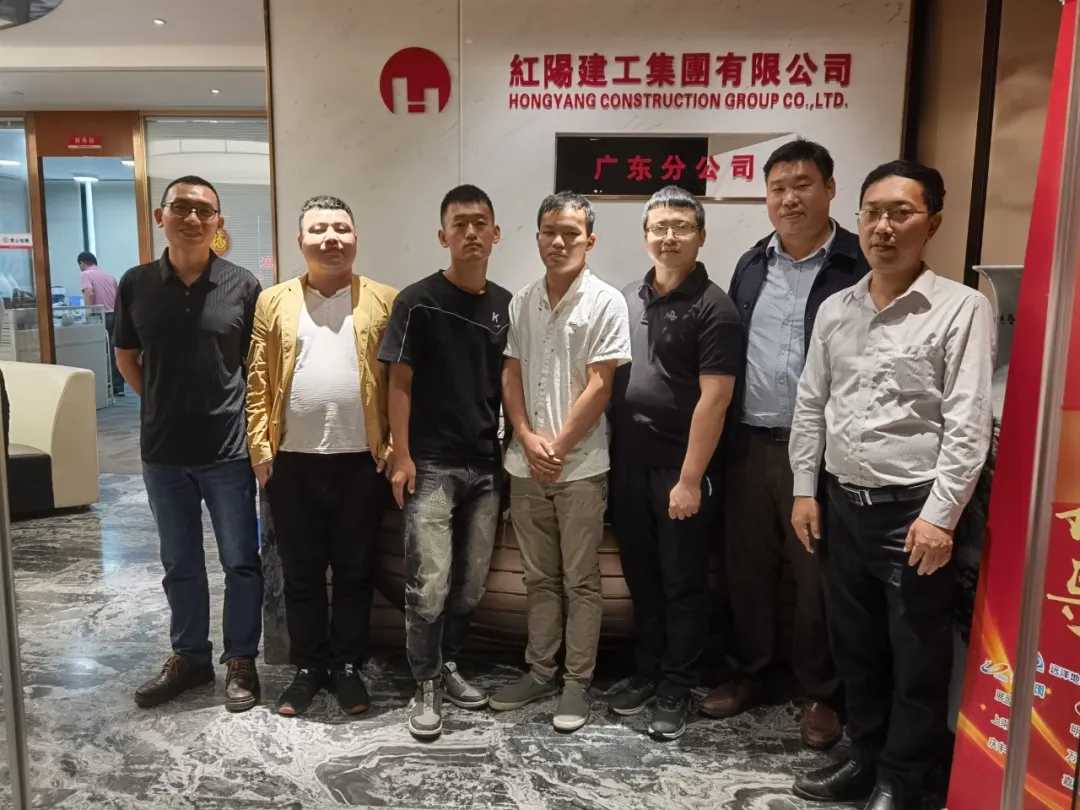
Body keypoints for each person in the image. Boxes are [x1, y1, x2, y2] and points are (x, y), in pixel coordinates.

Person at [789, 160, 994, 810]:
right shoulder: (836, 309)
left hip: (913, 514)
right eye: (872, 212)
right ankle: (865, 756)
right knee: (856, 648)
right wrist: (803, 488)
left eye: (900, 213)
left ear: (932, 223)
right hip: (841, 505)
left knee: (916, 656)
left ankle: (903, 779)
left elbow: (967, 422)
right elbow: (811, 402)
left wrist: (941, 516)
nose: (883, 227)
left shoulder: (961, 308)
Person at [703, 139, 868, 748]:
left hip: (822, 452)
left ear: (829, 189)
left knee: (816, 574)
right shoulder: (751, 265)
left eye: (803, 185)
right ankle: (750, 671)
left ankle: (820, 690)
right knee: (746, 568)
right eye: (778, 188)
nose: (789, 198)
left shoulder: (857, 265)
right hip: (749, 440)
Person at [114, 175, 263, 713]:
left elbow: (255, 368)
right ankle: (191, 658)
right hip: (163, 455)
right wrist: (160, 401)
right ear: (161, 217)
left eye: (204, 211)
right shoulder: (136, 283)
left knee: (240, 560)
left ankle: (241, 659)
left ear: (219, 222)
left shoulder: (243, 285)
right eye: (181, 207)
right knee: (179, 562)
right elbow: (126, 357)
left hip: (229, 452)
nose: (193, 218)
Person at [246, 195, 396, 717]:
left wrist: (394, 449)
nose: (330, 237)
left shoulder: (385, 300)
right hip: (292, 462)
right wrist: (259, 448)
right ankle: (309, 668)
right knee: (302, 573)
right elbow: (258, 379)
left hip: (363, 462)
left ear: (355, 237)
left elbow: (401, 382)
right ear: (300, 241)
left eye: (340, 228)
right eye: (318, 229)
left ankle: (348, 667)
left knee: (355, 572)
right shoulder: (273, 301)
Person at [490, 192, 631, 733]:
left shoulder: (606, 302)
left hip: (582, 468)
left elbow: (601, 384)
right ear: (537, 237)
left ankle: (577, 682)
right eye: (549, 231)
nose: (558, 241)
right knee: (538, 579)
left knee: (581, 581)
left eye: (570, 233)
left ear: (589, 240)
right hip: (525, 466)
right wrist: (526, 438)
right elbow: (510, 373)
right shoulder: (522, 300)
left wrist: (558, 446)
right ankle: (540, 671)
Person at [377, 184, 512, 741]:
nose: (471, 232)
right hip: (430, 464)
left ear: (496, 234)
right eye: (460, 224)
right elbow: (398, 381)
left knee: (471, 583)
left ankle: (449, 662)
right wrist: (402, 454)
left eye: (480, 223)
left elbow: (511, 387)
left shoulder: (506, 306)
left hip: (485, 465)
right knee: (429, 583)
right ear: (443, 235)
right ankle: (426, 682)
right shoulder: (417, 302)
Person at [607, 186, 742, 740]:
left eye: (681, 227)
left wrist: (690, 479)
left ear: (700, 236)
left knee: (682, 582)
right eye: (659, 227)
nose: (669, 236)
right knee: (642, 577)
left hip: (682, 471)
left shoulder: (716, 307)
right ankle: (647, 671)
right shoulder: (625, 298)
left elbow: (716, 400)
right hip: (628, 466)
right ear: (645, 236)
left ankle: (677, 685)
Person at [79, 251, 124, 397]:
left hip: (100, 316)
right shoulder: (109, 277)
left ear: (82, 263)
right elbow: (118, 297)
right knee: (115, 351)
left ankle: (104, 387)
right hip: (115, 316)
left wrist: (88, 313)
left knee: (100, 352)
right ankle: (118, 387)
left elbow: (89, 294)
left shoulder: (85, 274)